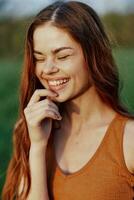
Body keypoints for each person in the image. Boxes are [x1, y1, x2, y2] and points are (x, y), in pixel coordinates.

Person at [2, 1, 134, 200]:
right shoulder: (29, 131)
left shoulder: (128, 140)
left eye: (62, 56)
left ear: (94, 55)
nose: (47, 69)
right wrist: (37, 147)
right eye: (39, 58)